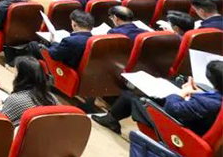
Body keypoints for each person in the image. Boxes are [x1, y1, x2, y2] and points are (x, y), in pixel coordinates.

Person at [94, 60, 223, 135]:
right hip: (194, 120)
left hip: (177, 127)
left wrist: (182, 92)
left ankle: (111, 120)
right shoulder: (215, 99)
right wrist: (195, 93)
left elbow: (172, 108)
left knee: (131, 95)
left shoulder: (208, 103)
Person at [0, 57, 57, 126]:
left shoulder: (15, 100)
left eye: (16, 72)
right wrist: (5, 88)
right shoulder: (52, 98)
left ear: (21, 77)